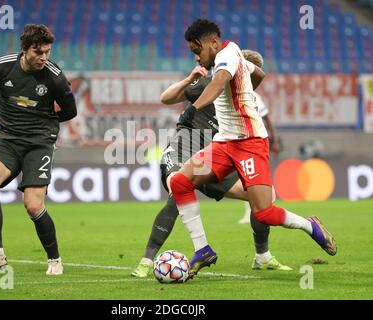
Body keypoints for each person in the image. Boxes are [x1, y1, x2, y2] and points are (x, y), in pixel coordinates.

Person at [169, 19, 336, 278]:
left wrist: (192, 109)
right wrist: (244, 94)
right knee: (179, 181)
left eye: (197, 50)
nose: (196, 57)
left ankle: (310, 226)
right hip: (224, 144)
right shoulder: (232, 58)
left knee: (265, 212)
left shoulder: (227, 55)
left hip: (250, 144)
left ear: (213, 42)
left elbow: (218, 82)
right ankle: (203, 250)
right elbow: (260, 74)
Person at [131, 51, 291, 278]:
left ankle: (262, 257)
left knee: (265, 195)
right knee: (177, 193)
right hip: (184, 151)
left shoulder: (249, 102)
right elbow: (166, 98)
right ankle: (146, 261)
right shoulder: (211, 84)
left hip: (214, 159)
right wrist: (189, 80)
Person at [0, 24, 77, 275]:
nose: (44, 57)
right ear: (24, 50)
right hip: (9, 138)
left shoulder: (54, 77)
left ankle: (54, 259)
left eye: (47, 52)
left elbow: (70, 110)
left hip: (39, 142)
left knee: (32, 205)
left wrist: (46, 125)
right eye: (38, 52)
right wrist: (0, 118)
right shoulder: (1, 67)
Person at [237, 50, 281, 224]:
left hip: (254, 141)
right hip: (238, 140)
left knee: (252, 178)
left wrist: (274, 141)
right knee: (246, 178)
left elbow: (267, 118)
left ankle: (263, 204)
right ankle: (255, 208)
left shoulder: (253, 96)